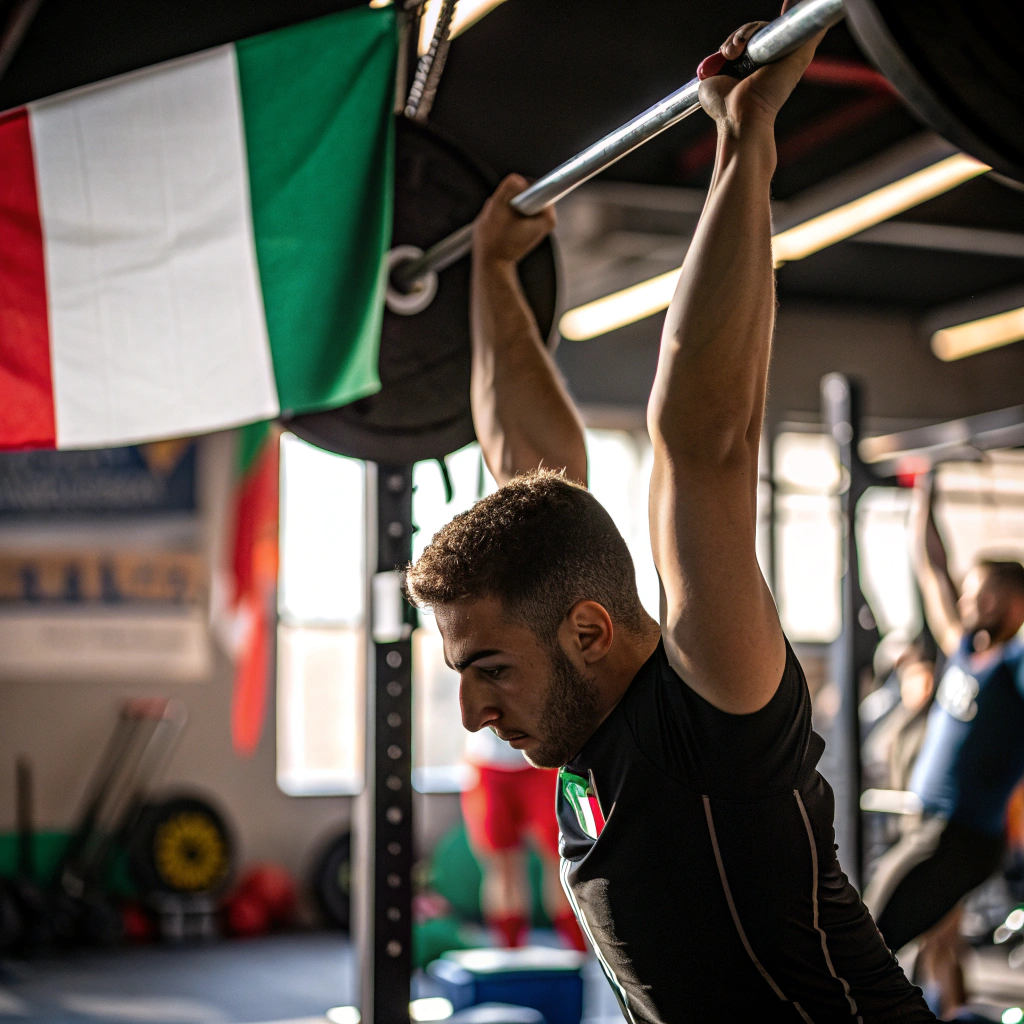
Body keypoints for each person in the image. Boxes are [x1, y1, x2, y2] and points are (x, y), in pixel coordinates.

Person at [405, 9, 933, 1021]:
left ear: (589, 630)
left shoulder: (710, 724)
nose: (472, 712)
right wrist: (493, 274)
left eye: (489, 670)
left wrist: (745, 138)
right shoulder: (576, 717)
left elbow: (705, 446)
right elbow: (527, 465)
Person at [863, 472, 1024, 1016]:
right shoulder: (964, 652)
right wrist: (924, 495)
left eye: (976, 593)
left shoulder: (1012, 666)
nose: (965, 599)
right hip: (929, 826)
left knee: (867, 942)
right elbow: (933, 571)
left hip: (959, 836)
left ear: (1005, 601)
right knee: (904, 946)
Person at [461, 726, 585, 950]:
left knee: (562, 856)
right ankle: (510, 952)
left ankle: (581, 951)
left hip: (540, 759)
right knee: (502, 865)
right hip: (487, 763)